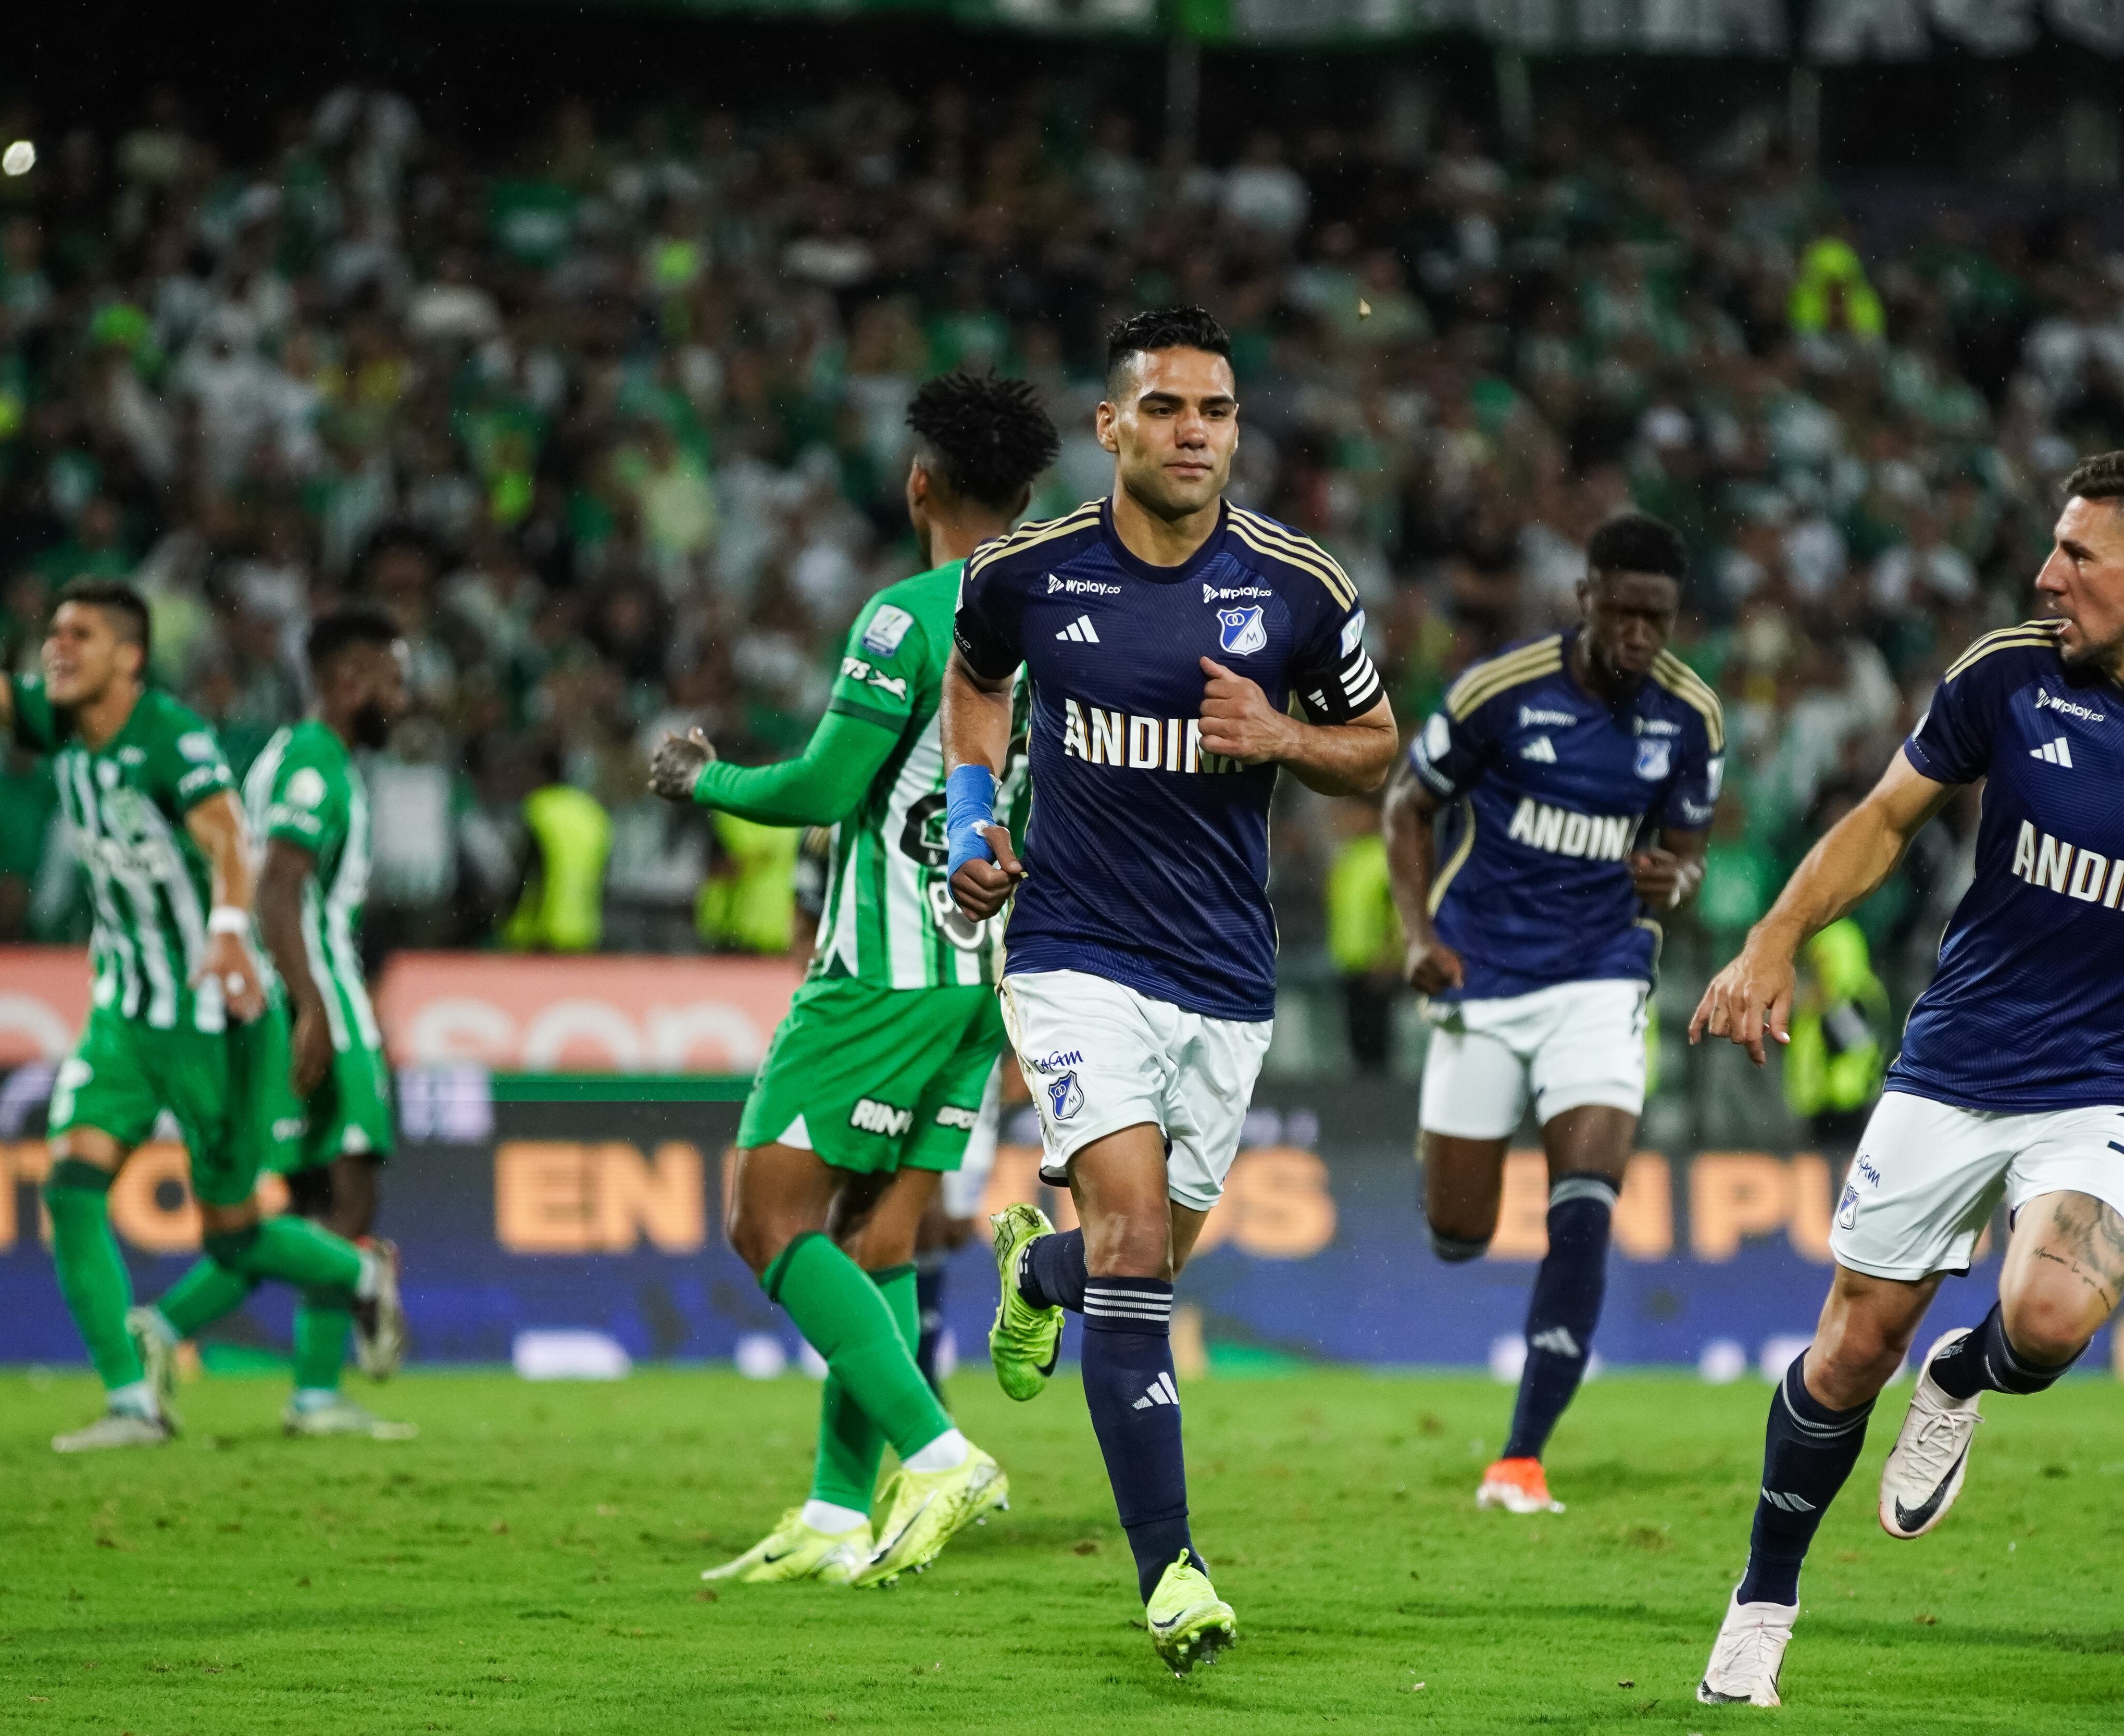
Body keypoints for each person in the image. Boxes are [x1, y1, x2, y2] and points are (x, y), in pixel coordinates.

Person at [1687, 445, 2124, 1707]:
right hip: (1955, 1060)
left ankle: (1965, 1374)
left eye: (2077, 555)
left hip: (2123, 1080)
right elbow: (1888, 814)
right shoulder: (2005, 676)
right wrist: (1772, 939)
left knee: (2053, 1317)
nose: (2045, 574)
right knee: (1848, 1353)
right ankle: (1762, 1601)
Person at [943, 306, 1397, 1673]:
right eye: (1167, 409)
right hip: (1076, 950)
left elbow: (1377, 750)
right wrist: (975, 825)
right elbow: (976, 692)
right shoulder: (1024, 573)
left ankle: (1042, 1269)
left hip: (1226, 976)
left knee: (1140, 1260)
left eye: (1217, 411)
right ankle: (1172, 1570)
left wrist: (1285, 735)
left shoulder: (1300, 586)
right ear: (1112, 427)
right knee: (1140, 1245)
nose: (1194, 432)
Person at [0, 473, 406, 1451]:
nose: (56, 649)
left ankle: (358, 1274)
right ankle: (131, 1399)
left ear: (132, 658)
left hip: (218, 1014)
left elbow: (232, 837)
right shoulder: (57, 721)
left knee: (234, 1233)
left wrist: (230, 934)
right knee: (69, 1183)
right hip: (126, 1009)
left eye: (81, 638)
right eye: (54, 634)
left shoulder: (171, 738)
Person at [651, 371, 1059, 1589]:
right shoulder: (1054, 619)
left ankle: (934, 1450)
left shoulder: (909, 615)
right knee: (871, 1242)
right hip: (980, 979)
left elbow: (827, 791)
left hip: (881, 969)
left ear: (918, 483)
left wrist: (703, 780)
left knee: (764, 1219)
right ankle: (836, 1510)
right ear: (1028, 494)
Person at [1380, 509, 1720, 1516]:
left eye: (1659, 618)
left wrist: (1678, 881)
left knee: (1586, 1205)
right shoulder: (1501, 691)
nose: (1641, 637)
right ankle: (1459, 1162)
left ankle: (1521, 1456)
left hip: (1603, 976)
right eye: (1624, 612)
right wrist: (1413, 934)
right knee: (1458, 1230)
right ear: (1586, 597)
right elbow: (1408, 802)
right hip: (1482, 973)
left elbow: (1687, 855)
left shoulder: (1690, 717)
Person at [130, 607, 414, 1426]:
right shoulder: (315, 764)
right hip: (316, 997)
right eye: (392, 681)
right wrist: (314, 1007)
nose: (402, 699)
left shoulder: (298, 759)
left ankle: (165, 1325)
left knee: (297, 1215)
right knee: (349, 1201)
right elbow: (279, 885)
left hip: (281, 999)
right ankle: (318, 1391)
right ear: (350, 681)